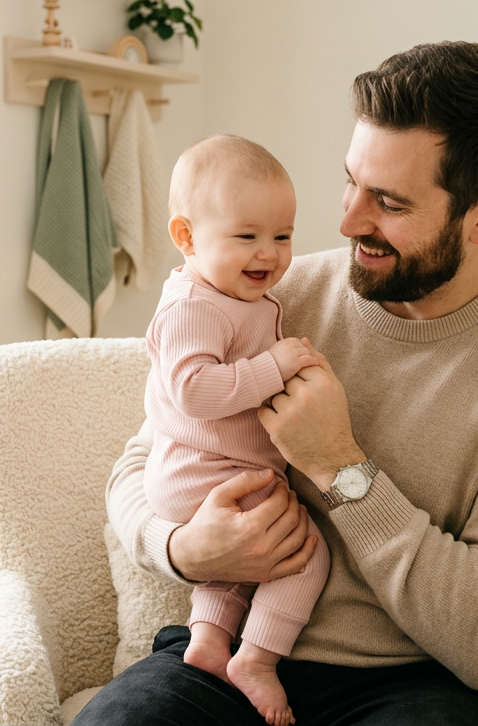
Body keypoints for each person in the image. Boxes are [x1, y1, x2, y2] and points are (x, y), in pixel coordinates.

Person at [78, 41, 478, 726]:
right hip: (221, 650)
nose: (348, 220)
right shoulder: (269, 289)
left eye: (387, 201)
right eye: (351, 181)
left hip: (404, 683)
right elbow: (141, 458)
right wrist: (183, 547)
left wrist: (339, 464)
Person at [142, 134, 330, 726]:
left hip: (212, 470)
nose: (269, 254)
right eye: (246, 236)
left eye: (283, 236)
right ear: (187, 236)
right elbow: (194, 392)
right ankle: (257, 657)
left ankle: (208, 641)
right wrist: (274, 367)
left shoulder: (238, 296)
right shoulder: (193, 307)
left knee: (241, 563)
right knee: (302, 552)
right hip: (201, 472)